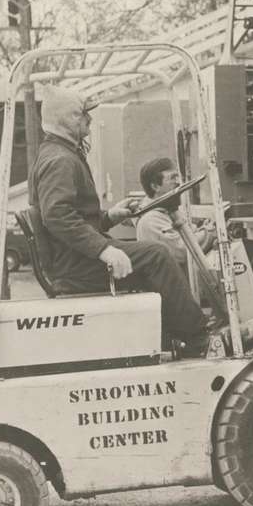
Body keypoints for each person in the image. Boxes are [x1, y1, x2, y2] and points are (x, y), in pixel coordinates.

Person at [29, 86, 209, 348]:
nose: (89, 121)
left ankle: (169, 338)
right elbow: (57, 216)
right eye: (83, 115)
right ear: (69, 120)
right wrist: (104, 249)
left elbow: (76, 218)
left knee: (151, 258)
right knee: (157, 255)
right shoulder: (61, 160)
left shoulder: (59, 154)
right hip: (74, 265)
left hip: (72, 257)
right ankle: (199, 338)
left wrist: (111, 216)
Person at [135, 157, 217, 274]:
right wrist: (210, 233)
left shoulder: (166, 212)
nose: (178, 182)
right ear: (155, 186)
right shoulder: (151, 220)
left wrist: (204, 228)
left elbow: (190, 232)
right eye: (172, 178)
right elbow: (182, 251)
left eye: (177, 177)